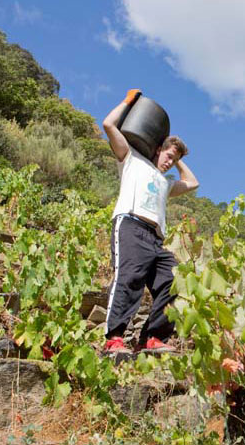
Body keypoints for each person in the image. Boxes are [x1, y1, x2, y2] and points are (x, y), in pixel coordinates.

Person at [100, 89, 199, 354]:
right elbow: (109, 125)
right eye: (168, 155)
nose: (170, 161)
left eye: (174, 159)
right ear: (157, 148)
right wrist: (128, 101)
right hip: (131, 225)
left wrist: (179, 160)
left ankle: (152, 338)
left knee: (174, 280)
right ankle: (114, 339)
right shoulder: (131, 159)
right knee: (129, 278)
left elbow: (192, 183)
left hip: (155, 238)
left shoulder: (166, 183)